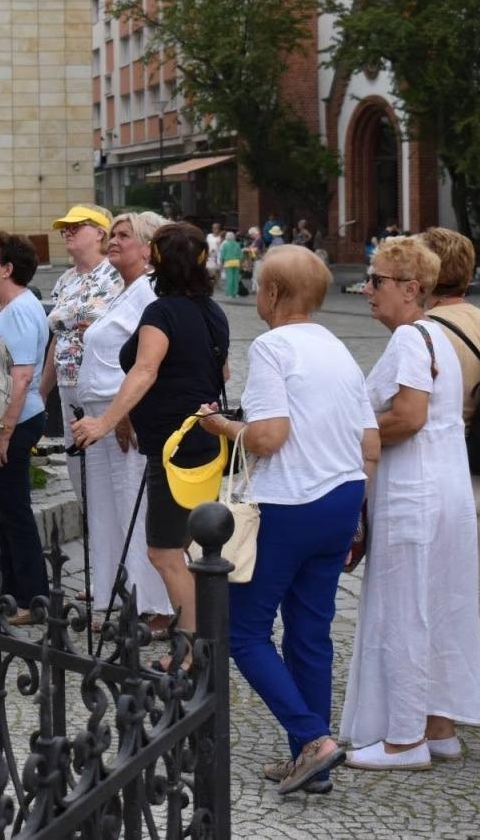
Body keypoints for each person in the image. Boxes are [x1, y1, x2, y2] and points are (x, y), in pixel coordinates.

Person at [199, 245, 376, 795]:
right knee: (309, 632)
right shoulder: (338, 349)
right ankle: (308, 757)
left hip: (292, 503)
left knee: (245, 630)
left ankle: (312, 739)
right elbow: (368, 438)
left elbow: (269, 438)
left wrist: (221, 427)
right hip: (342, 496)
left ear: (273, 293)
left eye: (258, 285)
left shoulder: (274, 347)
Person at [342, 235, 480, 771]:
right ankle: (438, 725)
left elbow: (408, 417)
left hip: (414, 491)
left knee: (404, 609)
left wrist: (349, 435)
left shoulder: (409, 339)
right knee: (441, 604)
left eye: (375, 281)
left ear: (410, 288)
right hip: (445, 486)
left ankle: (403, 738)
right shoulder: (435, 336)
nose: (367, 290)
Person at [71, 222, 228, 655]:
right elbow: (223, 373)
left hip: (172, 447)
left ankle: (196, 652)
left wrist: (104, 423)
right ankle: (202, 643)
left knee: (164, 551)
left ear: (158, 259)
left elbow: (144, 370)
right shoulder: (211, 311)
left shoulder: (162, 312)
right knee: (188, 545)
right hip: (203, 439)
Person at [421, 226, 480, 726]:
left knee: (435, 590)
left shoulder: (427, 331)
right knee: (474, 589)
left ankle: (436, 706)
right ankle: (468, 693)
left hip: (447, 468)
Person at [74, 212, 173, 626]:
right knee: (106, 509)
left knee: (134, 502)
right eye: (112, 234)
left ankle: (154, 604)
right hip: (99, 411)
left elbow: (147, 362)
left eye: (123, 235)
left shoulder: (150, 292)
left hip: (122, 414)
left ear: (148, 248)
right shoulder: (125, 289)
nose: (113, 241)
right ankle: (116, 592)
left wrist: (125, 414)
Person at [0, 232, 51, 616]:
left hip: (16, 421)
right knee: (4, 511)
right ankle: (9, 591)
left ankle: (32, 598)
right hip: (11, 418)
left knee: (15, 511)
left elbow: (21, 378)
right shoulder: (13, 307)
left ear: (7, 269)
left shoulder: (21, 310)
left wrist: (3, 435)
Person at [40, 204, 121, 495]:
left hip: (105, 385)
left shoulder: (117, 275)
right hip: (67, 385)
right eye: (65, 228)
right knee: (80, 474)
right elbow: (57, 339)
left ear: (100, 232)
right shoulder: (65, 280)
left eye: (76, 226)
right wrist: (42, 389)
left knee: (109, 471)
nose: (67, 232)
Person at [219, 231, 242, 298]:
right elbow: (240, 255)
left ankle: (229, 293)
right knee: (235, 278)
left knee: (229, 278)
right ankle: (235, 293)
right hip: (236, 262)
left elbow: (222, 255)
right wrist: (240, 262)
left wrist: (221, 263)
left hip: (228, 262)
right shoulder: (237, 244)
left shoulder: (225, 245)